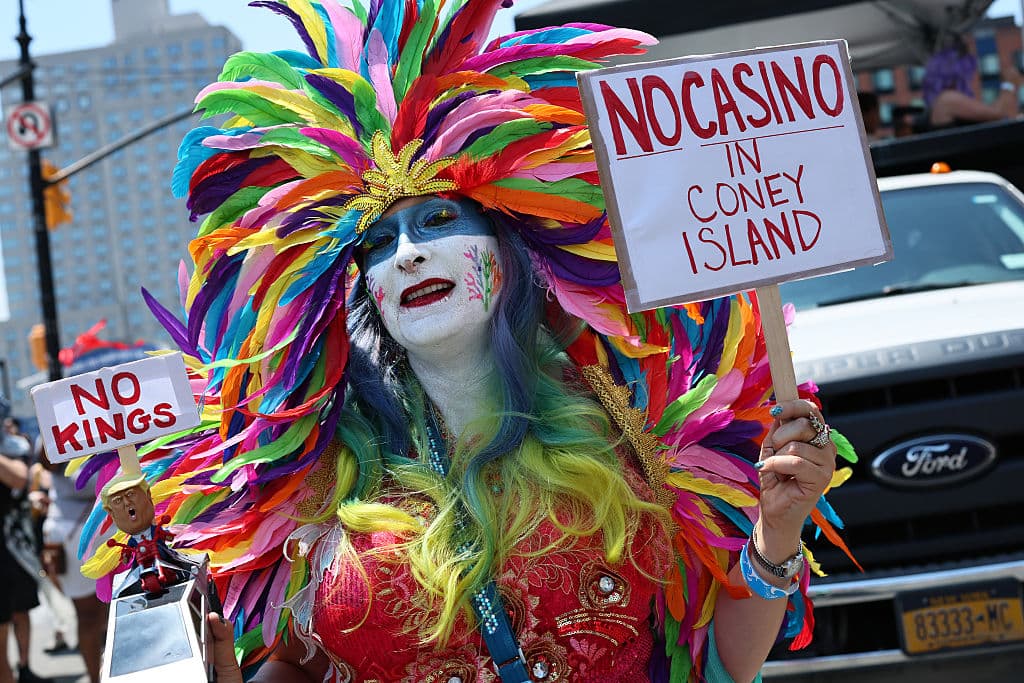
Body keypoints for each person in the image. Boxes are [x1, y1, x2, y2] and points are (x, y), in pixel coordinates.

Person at [80, 2, 854, 681]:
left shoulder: (627, 422)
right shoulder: (327, 474)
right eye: (379, 243)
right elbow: (299, 663)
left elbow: (721, 665)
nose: (408, 253)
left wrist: (777, 530)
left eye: (438, 222)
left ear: (505, 253)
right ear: (368, 294)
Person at [0, 418, 51, 683]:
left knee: (21, 608)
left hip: (13, 545)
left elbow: (19, 478)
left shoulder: (12, 448)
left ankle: (24, 666)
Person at [922, 33, 1023, 129]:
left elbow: (998, 113)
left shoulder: (945, 99)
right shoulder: (947, 99)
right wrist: (1008, 84)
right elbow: (998, 114)